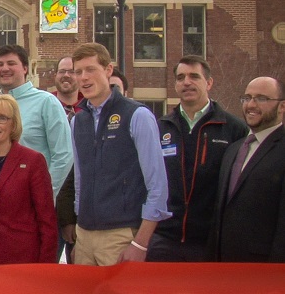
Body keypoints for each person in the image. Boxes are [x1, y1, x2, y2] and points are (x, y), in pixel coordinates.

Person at [71, 43, 170, 266]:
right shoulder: (78, 120)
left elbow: (158, 186)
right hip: (85, 234)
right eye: (78, 72)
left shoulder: (137, 115)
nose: (84, 78)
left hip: (121, 234)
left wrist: (141, 243)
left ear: (108, 70)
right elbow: (80, 181)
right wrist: (81, 234)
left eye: (91, 69)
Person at [149, 56, 247, 262]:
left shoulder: (234, 129)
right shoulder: (161, 127)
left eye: (194, 76)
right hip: (164, 239)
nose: (187, 82)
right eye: (180, 77)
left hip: (209, 242)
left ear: (209, 82)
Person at [0, 94, 57, 265]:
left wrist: (45, 268)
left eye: (2, 118)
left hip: (20, 258)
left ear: (13, 124)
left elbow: (47, 221)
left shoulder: (33, 161)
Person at [0, 44, 73, 199]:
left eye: (11, 63)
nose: (4, 69)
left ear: (25, 68)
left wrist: (43, 193)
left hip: (31, 203)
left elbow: (64, 155)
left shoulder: (46, 102)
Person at [210, 76, 285, 262]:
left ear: (282, 107)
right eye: (247, 98)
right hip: (224, 265)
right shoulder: (233, 150)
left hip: (264, 268)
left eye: (261, 98)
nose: (251, 104)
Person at [51, 56, 83, 263]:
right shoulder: (47, 106)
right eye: (62, 71)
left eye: (72, 71)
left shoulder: (90, 109)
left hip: (84, 211)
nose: (66, 76)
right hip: (52, 206)